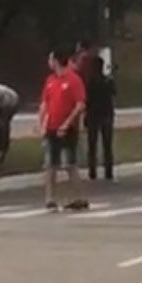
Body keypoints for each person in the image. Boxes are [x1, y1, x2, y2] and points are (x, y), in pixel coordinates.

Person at [39, 48, 89, 211]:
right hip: (51, 127)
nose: (49, 62)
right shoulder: (50, 80)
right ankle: (50, 198)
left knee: (69, 164)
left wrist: (67, 123)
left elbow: (80, 104)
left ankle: (79, 197)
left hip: (67, 129)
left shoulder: (74, 80)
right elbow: (45, 103)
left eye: (50, 59)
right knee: (50, 164)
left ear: (57, 61)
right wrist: (41, 124)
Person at [85, 56, 115, 181]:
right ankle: (109, 171)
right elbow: (114, 93)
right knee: (107, 144)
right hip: (106, 114)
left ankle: (92, 171)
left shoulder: (90, 81)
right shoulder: (107, 80)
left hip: (93, 115)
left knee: (92, 145)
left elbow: (87, 99)